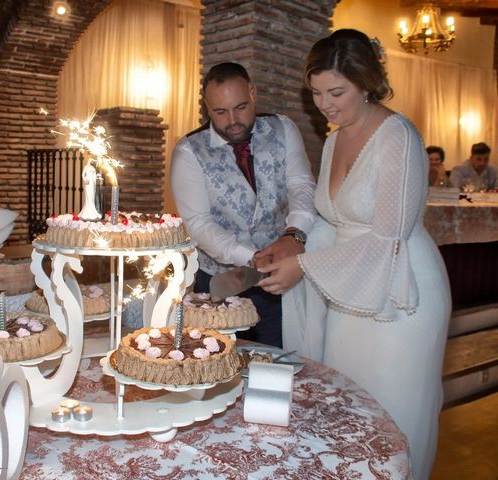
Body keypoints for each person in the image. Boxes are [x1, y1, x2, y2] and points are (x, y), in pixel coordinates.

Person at [256, 29, 450, 479]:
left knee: (393, 413)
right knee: (349, 410)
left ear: (366, 83)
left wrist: (302, 266)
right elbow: (333, 221)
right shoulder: (334, 138)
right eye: (317, 92)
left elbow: (388, 237)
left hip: (399, 298)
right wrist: (293, 244)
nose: (325, 103)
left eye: (337, 92)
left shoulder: (397, 137)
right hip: (346, 291)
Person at [170, 62, 316, 349]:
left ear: (253, 93)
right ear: (206, 107)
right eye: (220, 112)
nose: (233, 120)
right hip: (224, 285)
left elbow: (301, 185)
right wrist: (252, 257)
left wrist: (294, 234)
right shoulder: (189, 151)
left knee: (279, 361)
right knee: (222, 363)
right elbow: (198, 224)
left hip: (285, 277)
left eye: (241, 107)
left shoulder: (283, 128)